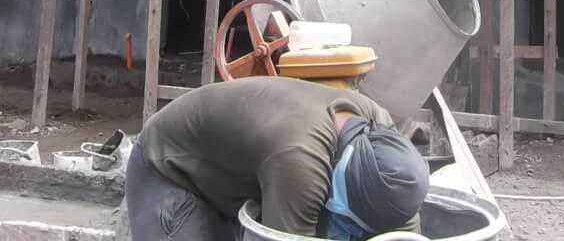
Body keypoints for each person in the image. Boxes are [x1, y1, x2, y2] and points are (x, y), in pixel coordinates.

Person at [125, 77, 430, 239]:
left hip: (228, 177)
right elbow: (288, 239)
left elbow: (404, 225)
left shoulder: (380, 129)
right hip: (169, 168)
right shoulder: (300, 161)